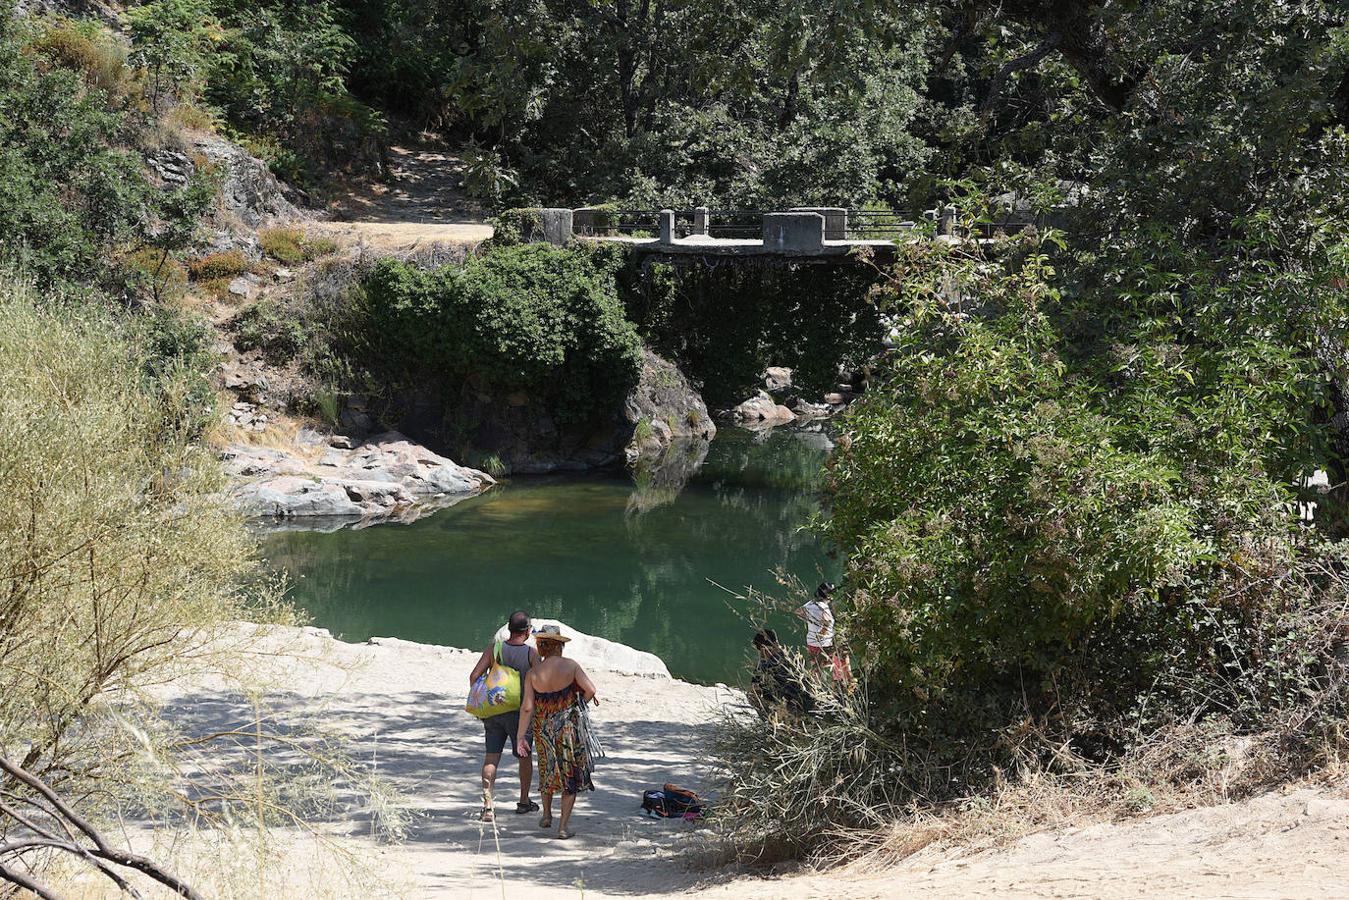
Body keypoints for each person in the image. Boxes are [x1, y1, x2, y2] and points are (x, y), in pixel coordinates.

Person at [515, 624, 598, 839]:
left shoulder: (533, 673)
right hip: (568, 728)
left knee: (547, 770)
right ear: (559, 646)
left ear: (541, 647)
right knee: (568, 774)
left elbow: (527, 707)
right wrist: (576, 706)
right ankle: (562, 828)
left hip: (542, 729)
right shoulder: (570, 666)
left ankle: (546, 815)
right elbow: (591, 690)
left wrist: (520, 736)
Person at [468, 610, 540, 822]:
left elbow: (473, 676)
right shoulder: (531, 654)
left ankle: (488, 806)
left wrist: (482, 704)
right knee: (524, 757)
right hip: (520, 714)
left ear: (509, 629)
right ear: (527, 631)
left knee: (491, 757)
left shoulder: (494, 649)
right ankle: (524, 801)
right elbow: (541, 682)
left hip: (494, 711)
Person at [748, 628, 810, 715]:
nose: (761, 653)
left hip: (795, 700)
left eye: (761, 649)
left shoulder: (781, 660)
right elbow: (756, 681)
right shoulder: (769, 659)